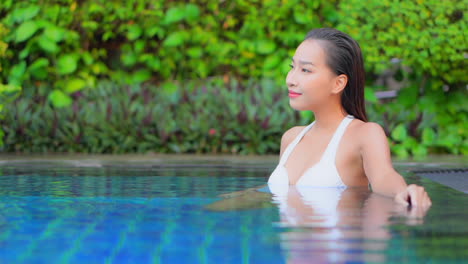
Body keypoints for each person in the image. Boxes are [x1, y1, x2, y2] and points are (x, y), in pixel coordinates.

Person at [267, 28, 431, 207]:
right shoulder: (291, 138)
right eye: (293, 67)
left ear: (338, 83)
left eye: (305, 70)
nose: (291, 79)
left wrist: (404, 192)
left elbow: (384, 177)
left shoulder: (364, 134)